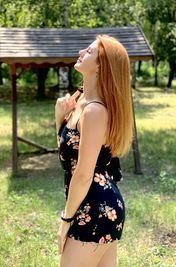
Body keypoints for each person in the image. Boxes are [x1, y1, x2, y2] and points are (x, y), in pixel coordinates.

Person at [55, 35, 133, 267]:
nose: (80, 51)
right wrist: (59, 118)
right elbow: (66, 157)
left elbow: (83, 173)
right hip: (92, 205)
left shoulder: (95, 111)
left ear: (101, 66)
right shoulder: (80, 103)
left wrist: (65, 218)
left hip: (97, 209)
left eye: (88, 51)